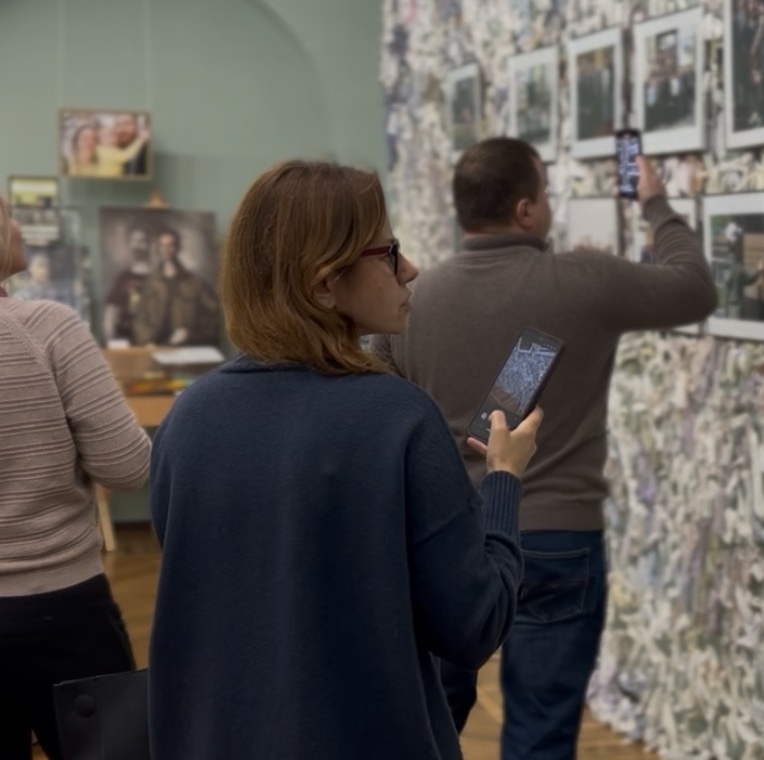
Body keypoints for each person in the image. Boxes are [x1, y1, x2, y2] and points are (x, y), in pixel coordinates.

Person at [147, 161, 542, 760]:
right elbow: (475, 623)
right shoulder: (400, 418)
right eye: (389, 253)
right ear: (324, 283)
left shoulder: (187, 419)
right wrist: (506, 479)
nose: (409, 270)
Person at [372, 138, 716, 759]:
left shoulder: (412, 300)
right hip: (558, 537)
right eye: (547, 194)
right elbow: (694, 288)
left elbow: (379, 398)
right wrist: (655, 201)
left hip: (446, 535)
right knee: (542, 729)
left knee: (429, 722)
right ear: (526, 210)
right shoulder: (584, 279)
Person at [0, 196, 150, 760]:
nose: (17, 226)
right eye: (5, 214)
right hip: (61, 610)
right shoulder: (49, 328)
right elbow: (129, 466)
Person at [131, 227, 220, 346]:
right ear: (158, 248)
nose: (166, 249)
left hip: (186, 349)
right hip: (154, 348)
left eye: (170, 245)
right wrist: (147, 340)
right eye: (162, 245)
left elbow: (213, 315)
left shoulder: (194, 282)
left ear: (177, 247)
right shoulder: (151, 282)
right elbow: (140, 318)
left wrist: (190, 334)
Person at [103, 226, 153, 344]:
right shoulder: (123, 278)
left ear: (149, 244)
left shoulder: (160, 277)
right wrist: (111, 342)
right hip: (128, 342)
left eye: (142, 241)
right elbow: (111, 314)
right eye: (134, 241)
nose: (137, 246)